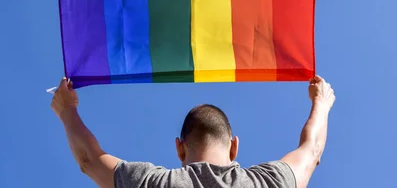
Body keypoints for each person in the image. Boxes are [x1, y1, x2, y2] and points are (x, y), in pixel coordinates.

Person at [51, 75, 335, 188]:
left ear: (180, 147)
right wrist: (321, 102)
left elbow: (89, 160)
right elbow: (311, 152)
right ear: (233, 146)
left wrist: (67, 109)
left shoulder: (152, 183)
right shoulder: (267, 183)